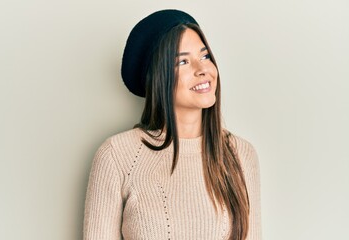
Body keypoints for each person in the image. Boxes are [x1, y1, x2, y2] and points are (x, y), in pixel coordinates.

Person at [83, 9, 261, 240]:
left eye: (205, 56)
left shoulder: (240, 154)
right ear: (158, 77)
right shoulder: (116, 156)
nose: (202, 70)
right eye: (183, 61)